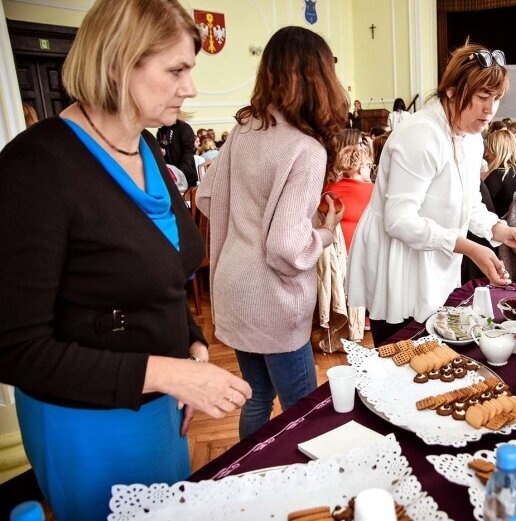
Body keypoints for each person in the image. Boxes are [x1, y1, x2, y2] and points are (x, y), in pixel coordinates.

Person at [0, 2, 251, 519]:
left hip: (161, 403)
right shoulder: (35, 167)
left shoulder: (148, 151)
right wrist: (167, 374)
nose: (191, 88)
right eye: (176, 70)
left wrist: (195, 346)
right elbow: (17, 350)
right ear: (118, 63)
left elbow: (156, 277)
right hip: (86, 421)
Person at [196, 26, 347, 439]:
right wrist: (324, 232)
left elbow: (206, 196)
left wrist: (254, 220)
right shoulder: (306, 149)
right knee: (303, 411)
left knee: (257, 397)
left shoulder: (245, 129)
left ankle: (250, 476)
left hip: (233, 285)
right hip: (273, 299)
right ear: (320, 78)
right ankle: (302, 489)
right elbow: (284, 246)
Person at [347, 43, 516, 346]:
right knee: (402, 354)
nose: (490, 110)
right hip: (400, 263)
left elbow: (469, 201)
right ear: (451, 91)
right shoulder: (420, 135)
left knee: (433, 350)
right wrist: (469, 247)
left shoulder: (470, 137)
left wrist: (498, 229)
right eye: (482, 97)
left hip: (435, 256)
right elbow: (399, 221)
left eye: (497, 98)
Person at [484, 129, 516, 218]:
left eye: (490, 149)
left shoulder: (498, 176)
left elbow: (478, 205)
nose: (486, 154)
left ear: (499, 151)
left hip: (499, 226)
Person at [157, 117, 198, 187]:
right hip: (170, 174)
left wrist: (181, 170)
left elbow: (189, 150)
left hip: (186, 173)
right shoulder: (161, 130)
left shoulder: (184, 127)